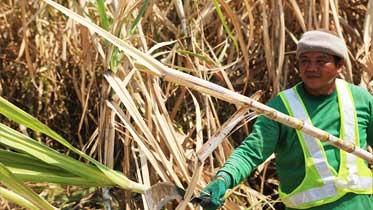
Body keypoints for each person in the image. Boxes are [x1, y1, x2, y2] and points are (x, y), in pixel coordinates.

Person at [200, 30, 373, 210]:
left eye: (321, 61)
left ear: (340, 66)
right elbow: (251, 151)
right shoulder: (281, 108)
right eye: (305, 60)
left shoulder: (360, 99)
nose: (311, 68)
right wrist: (223, 178)